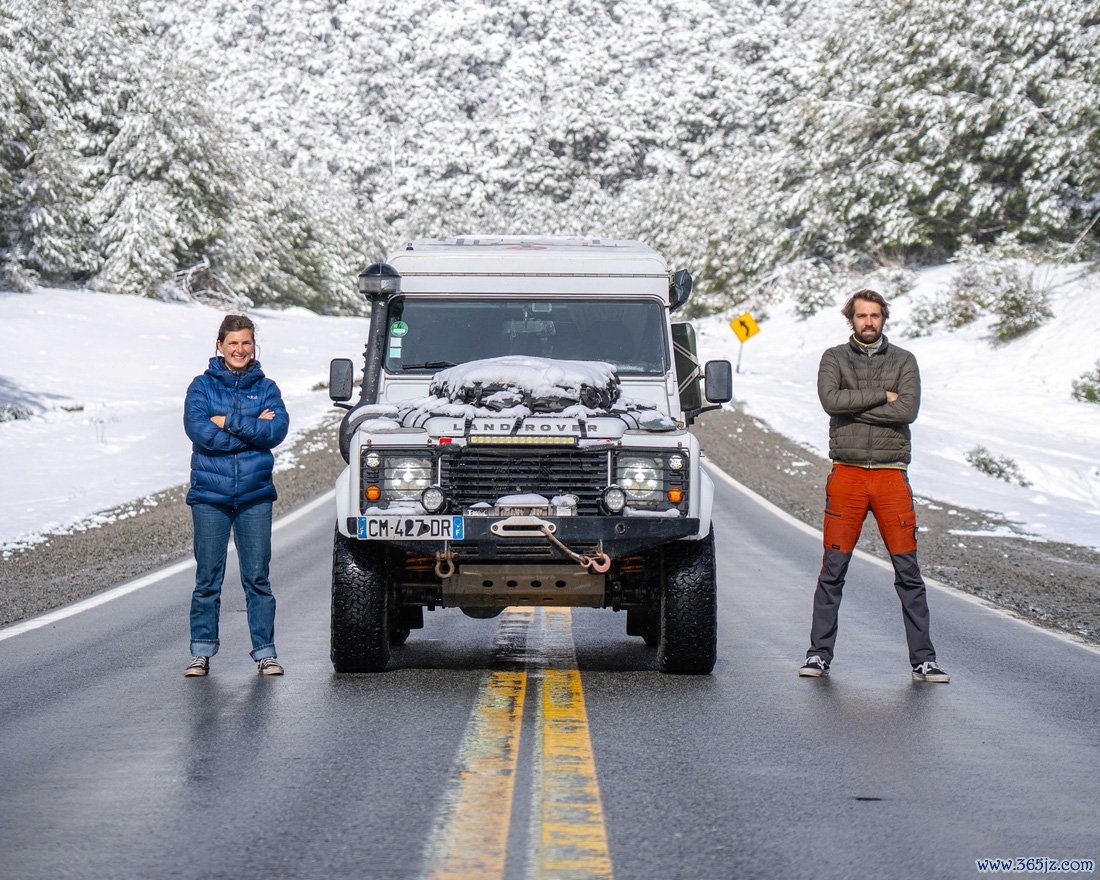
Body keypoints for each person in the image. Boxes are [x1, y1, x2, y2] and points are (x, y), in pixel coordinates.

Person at [799, 289, 950, 683]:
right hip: (847, 475)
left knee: (908, 572)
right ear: (850, 319)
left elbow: (908, 410)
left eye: (876, 316)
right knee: (833, 570)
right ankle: (818, 655)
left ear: (885, 318)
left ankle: (924, 660)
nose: (869, 322)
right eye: (862, 316)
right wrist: (883, 395)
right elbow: (831, 400)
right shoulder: (834, 357)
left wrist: (855, 405)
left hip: (890, 476)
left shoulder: (904, 360)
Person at [183, 314, 290, 677]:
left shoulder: (267, 387)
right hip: (209, 496)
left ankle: (265, 653)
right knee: (207, 579)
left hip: (254, 495)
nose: (240, 350)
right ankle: (201, 652)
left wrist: (226, 422)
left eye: (246, 343)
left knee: (257, 578)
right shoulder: (200, 386)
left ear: (253, 346)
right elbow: (199, 431)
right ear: (220, 346)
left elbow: (276, 430)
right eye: (233, 343)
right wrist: (251, 429)